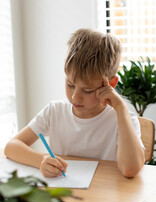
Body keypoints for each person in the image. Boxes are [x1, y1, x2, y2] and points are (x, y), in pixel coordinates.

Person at [4, 28, 145, 178]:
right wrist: (41, 160)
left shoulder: (123, 119)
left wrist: (120, 108)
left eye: (88, 90)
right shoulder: (54, 112)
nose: (75, 98)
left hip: (104, 197)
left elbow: (130, 169)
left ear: (111, 84)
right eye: (70, 85)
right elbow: (11, 147)